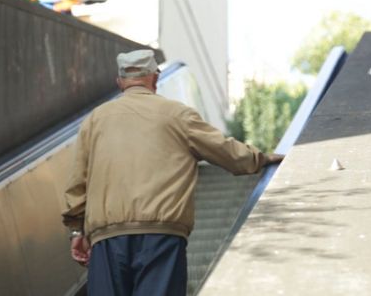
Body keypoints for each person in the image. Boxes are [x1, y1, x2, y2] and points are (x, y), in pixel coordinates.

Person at [62, 49, 284, 296]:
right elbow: (225, 151)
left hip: (107, 239)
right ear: (155, 79)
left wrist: (76, 230)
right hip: (161, 236)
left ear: (120, 82)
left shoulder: (95, 120)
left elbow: (77, 182)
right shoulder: (178, 114)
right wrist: (260, 158)